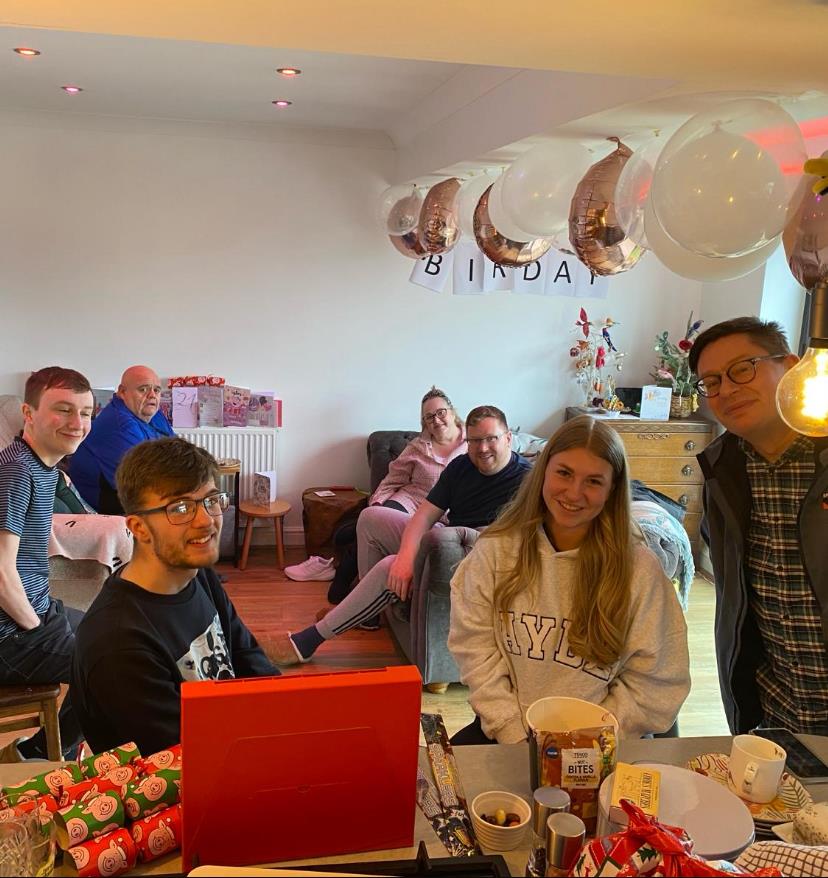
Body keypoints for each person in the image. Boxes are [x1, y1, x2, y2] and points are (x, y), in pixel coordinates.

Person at [448, 416, 690, 744]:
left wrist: (592, 738)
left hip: (603, 743)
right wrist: (511, 731)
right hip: (509, 733)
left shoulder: (639, 570)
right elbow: (474, 646)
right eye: (564, 473)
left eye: (593, 481)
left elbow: (657, 680)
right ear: (543, 471)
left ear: (612, 490)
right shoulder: (495, 551)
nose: (574, 493)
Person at [270, 405, 531, 666]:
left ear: (507, 437)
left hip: (479, 558)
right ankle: (367, 615)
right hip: (445, 539)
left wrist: (413, 558)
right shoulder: (460, 466)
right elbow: (424, 516)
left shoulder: (526, 479)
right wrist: (407, 557)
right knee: (371, 518)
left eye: (490, 439)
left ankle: (308, 642)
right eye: (475, 441)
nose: (482, 448)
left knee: (388, 566)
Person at [70, 437, 278, 755]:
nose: (206, 520)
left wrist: (290, 719)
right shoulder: (118, 641)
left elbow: (250, 660)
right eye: (179, 508)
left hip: (234, 746)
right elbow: (184, 759)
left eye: (211, 500)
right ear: (139, 528)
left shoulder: (197, 574)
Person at [688, 316, 828, 734]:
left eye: (742, 369)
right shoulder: (722, 472)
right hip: (775, 718)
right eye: (711, 382)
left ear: (789, 366)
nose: (727, 390)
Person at [289, 387, 467, 631]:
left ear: (452, 411)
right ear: (423, 422)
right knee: (370, 519)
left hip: (439, 515)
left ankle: (336, 566)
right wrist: (377, 505)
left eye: (440, 412)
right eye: (429, 417)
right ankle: (361, 593)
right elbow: (392, 481)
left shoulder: (473, 444)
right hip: (407, 502)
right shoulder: (417, 447)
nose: (436, 420)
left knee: (354, 533)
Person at [0, 366, 94, 761]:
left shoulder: (40, 464)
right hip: (10, 634)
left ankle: (44, 749)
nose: (78, 423)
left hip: (37, 611)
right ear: (29, 413)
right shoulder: (18, 471)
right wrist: (36, 627)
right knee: (116, 666)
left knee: (117, 632)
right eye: (63, 410)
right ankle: (45, 754)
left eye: (86, 412)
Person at [69, 365, 174, 513]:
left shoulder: (151, 412)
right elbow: (146, 485)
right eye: (143, 389)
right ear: (122, 392)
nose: (152, 395)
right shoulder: (120, 424)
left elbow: (177, 453)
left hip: (141, 495)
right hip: (108, 509)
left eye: (156, 390)